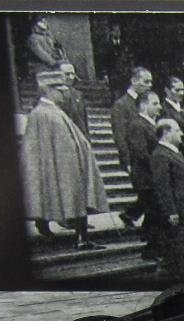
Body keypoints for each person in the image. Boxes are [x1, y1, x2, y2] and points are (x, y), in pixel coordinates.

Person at [20, 71, 108, 250]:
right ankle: (81, 239)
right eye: (60, 90)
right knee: (75, 200)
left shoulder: (53, 111)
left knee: (78, 200)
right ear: (48, 90)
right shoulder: (43, 113)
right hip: (65, 168)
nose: (64, 93)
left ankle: (82, 237)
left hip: (70, 166)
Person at [150, 118, 184, 281]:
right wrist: (171, 211)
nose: (181, 134)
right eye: (177, 130)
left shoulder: (176, 152)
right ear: (166, 133)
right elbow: (163, 187)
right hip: (182, 212)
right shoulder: (160, 155)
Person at [110, 66, 153, 227]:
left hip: (147, 154)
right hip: (135, 157)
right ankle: (135, 218)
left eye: (150, 82)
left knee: (149, 191)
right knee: (148, 191)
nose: (149, 85)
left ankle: (131, 215)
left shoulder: (145, 101)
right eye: (146, 81)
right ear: (134, 81)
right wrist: (126, 160)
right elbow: (120, 135)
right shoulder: (121, 105)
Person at [127, 90, 163, 259]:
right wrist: (158, 166)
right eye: (155, 103)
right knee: (154, 211)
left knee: (153, 212)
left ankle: (152, 246)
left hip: (152, 176)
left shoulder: (152, 124)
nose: (159, 107)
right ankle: (151, 249)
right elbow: (141, 153)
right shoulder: (137, 125)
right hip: (146, 176)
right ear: (143, 105)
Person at [99, 22, 134, 101]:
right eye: (115, 31)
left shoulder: (125, 45)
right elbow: (103, 61)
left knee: (124, 93)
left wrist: (129, 70)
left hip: (124, 75)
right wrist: (105, 74)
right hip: (113, 75)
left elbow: (129, 59)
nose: (117, 33)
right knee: (115, 94)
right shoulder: (106, 46)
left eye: (118, 31)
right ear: (111, 32)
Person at [56, 62, 88, 136]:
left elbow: (83, 120)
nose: (70, 77)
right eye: (67, 74)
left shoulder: (78, 95)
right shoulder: (53, 95)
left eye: (72, 74)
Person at [160, 76, 184, 144]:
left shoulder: (183, 110)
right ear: (167, 90)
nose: (181, 93)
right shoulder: (163, 110)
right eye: (177, 90)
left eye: (182, 90)